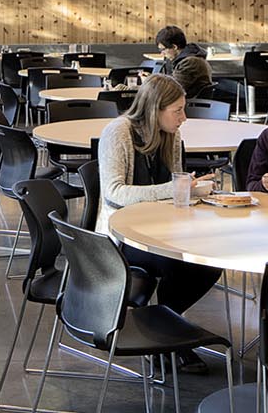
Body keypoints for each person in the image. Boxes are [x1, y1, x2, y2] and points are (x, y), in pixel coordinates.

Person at [95, 77, 222, 343]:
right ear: (155, 109)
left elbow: (175, 188)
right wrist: (174, 188)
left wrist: (194, 189)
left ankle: (166, 331)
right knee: (180, 264)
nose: (184, 117)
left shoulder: (172, 136)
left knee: (210, 263)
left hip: (164, 230)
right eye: (177, 110)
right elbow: (113, 193)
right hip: (122, 238)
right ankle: (166, 337)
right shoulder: (118, 132)